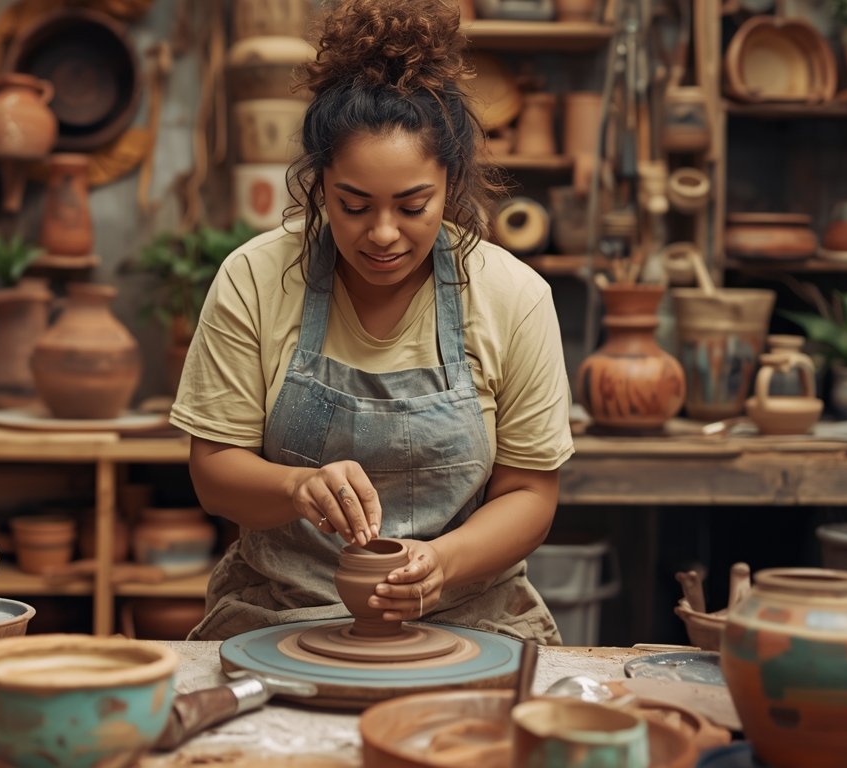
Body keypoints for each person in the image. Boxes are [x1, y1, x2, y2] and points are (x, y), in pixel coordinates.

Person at [167, 0, 575, 645]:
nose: (383, 234)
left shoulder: (512, 297)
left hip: (469, 613)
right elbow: (214, 471)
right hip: (284, 609)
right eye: (353, 206)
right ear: (320, 184)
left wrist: (442, 563)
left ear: (450, 184)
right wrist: (296, 486)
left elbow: (530, 494)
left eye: (413, 206)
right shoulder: (256, 278)